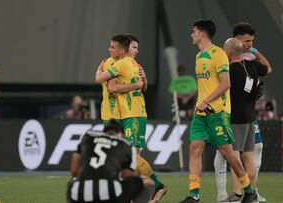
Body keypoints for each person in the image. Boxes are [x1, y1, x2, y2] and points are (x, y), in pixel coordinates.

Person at [179, 20, 256, 203]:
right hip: (201, 113)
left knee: (228, 153)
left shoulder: (218, 54)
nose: (191, 34)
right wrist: (200, 102)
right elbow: (207, 85)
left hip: (218, 112)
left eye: (194, 31)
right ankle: (194, 195)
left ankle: (249, 191)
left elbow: (225, 83)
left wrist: (205, 101)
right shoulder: (199, 56)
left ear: (203, 34)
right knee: (194, 148)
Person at [96, 34, 168, 202]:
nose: (136, 50)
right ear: (125, 48)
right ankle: (138, 190)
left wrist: (143, 81)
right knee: (125, 157)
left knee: (130, 156)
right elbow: (112, 86)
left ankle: (150, 187)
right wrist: (138, 84)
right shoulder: (113, 62)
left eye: (136, 47)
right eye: (134, 47)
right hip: (116, 114)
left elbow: (140, 87)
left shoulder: (132, 63)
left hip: (129, 114)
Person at [214, 22, 272, 202]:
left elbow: (222, 84)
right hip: (249, 115)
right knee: (245, 155)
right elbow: (267, 69)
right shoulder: (250, 65)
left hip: (234, 115)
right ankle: (245, 192)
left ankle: (239, 193)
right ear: (237, 40)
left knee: (233, 155)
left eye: (252, 42)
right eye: (247, 42)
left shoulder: (232, 65)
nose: (250, 45)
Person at [67, 119, 155, 203]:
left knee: (72, 181)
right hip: (111, 194)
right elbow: (128, 177)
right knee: (148, 182)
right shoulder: (126, 144)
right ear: (120, 133)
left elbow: (74, 171)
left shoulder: (87, 136)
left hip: (78, 194)